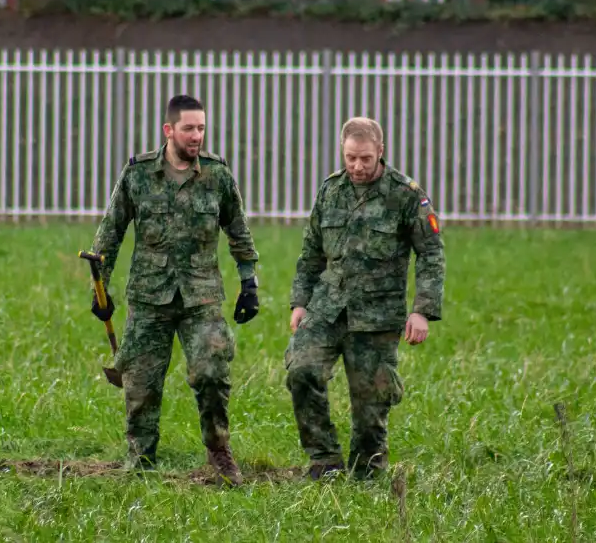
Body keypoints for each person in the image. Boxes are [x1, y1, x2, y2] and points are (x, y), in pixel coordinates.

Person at [89, 94, 260, 487]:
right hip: (150, 296)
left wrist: (249, 281)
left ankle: (219, 454)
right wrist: (99, 285)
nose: (197, 135)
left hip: (202, 296)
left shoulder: (217, 175)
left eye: (201, 127)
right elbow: (110, 232)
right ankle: (141, 458)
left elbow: (238, 229)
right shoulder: (138, 174)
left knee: (212, 371)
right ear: (169, 130)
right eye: (189, 128)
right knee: (141, 383)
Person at [285, 116, 446, 481]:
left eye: (366, 159)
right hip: (327, 308)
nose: (357, 166)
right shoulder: (330, 191)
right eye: (350, 158)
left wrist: (423, 311)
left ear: (381, 153)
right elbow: (311, 252)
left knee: (371, 404)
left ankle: (366, 475)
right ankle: (324, 460)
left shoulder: (406, 195)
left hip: (377, 316)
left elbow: (432, 254)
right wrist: (300, 302)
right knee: (301, 369)